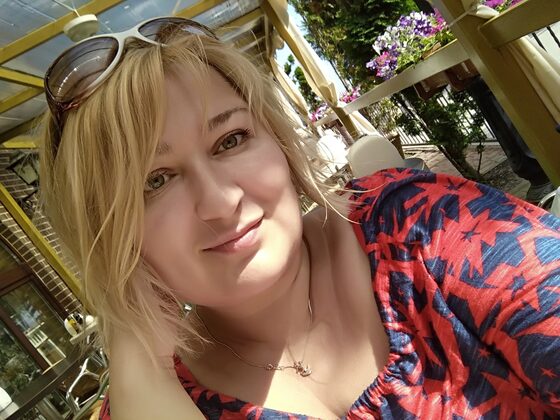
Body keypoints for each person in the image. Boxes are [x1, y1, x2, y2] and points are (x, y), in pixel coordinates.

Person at [39, 17, 560, 420]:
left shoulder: (417, 224)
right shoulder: (152, 400)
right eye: (154, 181)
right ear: (108, 232)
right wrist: (131, 341)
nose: (219, 201)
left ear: (280, 145)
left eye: (230, 139)